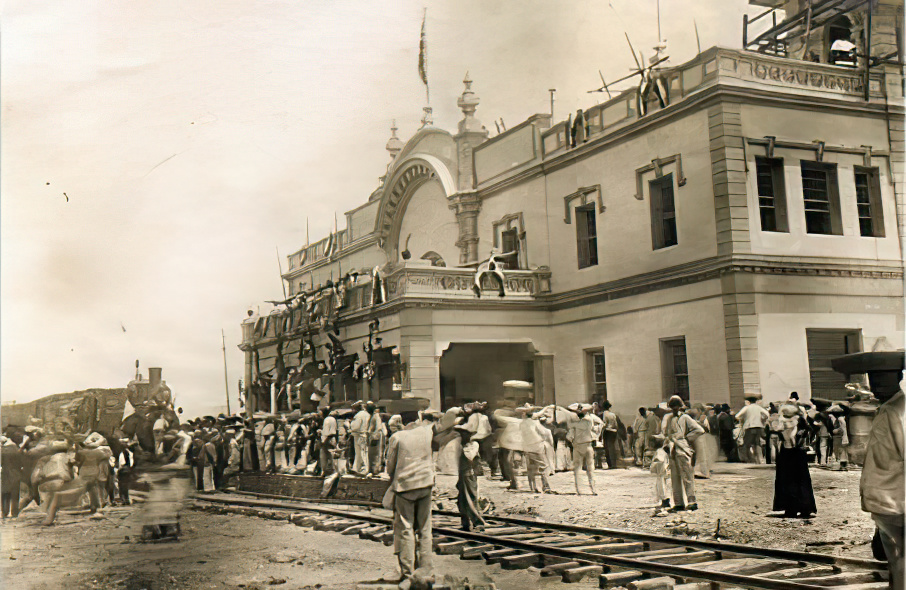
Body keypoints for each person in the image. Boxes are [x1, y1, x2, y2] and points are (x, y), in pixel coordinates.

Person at [832, 351, 904, 590]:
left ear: (899, 377)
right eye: (875, 379)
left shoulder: (897, 411)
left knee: (900, 561)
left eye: (885, 378)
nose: (879, 384)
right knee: (895, 561)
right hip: (888, 501)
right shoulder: (887, 408)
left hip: (896, 502)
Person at [385, 413, 440, 585]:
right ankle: (426, 570)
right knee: (425, 528)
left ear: (400, 421)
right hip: (425, 484)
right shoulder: (426, 432)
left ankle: (408, 573)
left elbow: (390, 466)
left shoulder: (397, 437)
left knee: (406, 528)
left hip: (405, 487)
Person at [772, 404, 816, 518]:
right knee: (802, 480)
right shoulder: (800, 424)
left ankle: (790, 508)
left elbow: (778, 435)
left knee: (787, 481)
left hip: (786, 454)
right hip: (799, 454)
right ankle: (805, 508)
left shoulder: (781, 423)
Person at [662, 395, 704, 512]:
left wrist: (687, 438)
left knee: (687, 475)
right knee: (674, 477)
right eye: (672, 407)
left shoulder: (685, 418)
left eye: (676, 407)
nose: (674, 409)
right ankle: (678, 502)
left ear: (680, 407)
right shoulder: (669, 418)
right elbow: (666, 433)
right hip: (671, 448)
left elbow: (699, 430)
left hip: (682, 448)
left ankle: (692, 501)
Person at [454, 424, 486, 532]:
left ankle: (478, 523)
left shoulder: (472, 445)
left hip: (469, 474)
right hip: (462, 474)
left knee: (470, 499)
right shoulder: (460, 445)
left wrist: (464, 447)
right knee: (461, 500)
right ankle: (465, 523)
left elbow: (470, 456)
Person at [518, 405, 553, 494]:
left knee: (531, 468)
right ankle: (545, 486)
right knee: (544, 467)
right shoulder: (534, 422)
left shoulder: (522, 424)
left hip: (527, 447)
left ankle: (533, 487)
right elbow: (543, 432)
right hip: (537, 447)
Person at [567, 404, 597, 495]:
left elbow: (569, 436)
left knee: (577, 468)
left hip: (578, 446)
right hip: (588, 445)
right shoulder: (589, 421)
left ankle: (579, 490)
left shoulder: (574, 424)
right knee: (590, 467)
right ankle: (593, 488)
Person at [736, 396, 769, 464]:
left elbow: (737, 416)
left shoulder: (746, 408)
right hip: (759, 426)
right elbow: (767, 414)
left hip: (749, 426)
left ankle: (750, 459)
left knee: (748, 444)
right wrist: (762, 419)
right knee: (757, 443)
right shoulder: (759, 407)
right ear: (756, 401)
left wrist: (743, 418)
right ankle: (760, 459)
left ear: (749, 401)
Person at [649, 434, 670, 516]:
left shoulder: (659, 451)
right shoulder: (661, 450)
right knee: (661, 486)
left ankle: (665, 500)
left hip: (661, 472)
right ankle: (664, 500)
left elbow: (660, 460)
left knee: (661, 487)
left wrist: (653, 465)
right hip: (662, 472)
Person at [688, 405, 712, 479]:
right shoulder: (698, 422)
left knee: (698, 456)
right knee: (701, 456)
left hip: (696, 439)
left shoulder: (693, 422)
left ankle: (699, 471)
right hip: (699, 439)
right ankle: (701, 471)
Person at [350, 401, 369, 475]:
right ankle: (357, 468)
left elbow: (355, 427)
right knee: (363, 452)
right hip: (365, 434)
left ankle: (363, 469)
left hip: (359, 435)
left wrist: (349, 425)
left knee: (360, 452)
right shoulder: (367, 414)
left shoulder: (358, 415)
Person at [600, 401, 620, 469]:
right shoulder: (613, 414)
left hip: (607, 431)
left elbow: (604, 424)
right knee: (613, 448)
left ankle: (610, 464)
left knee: (607, 448)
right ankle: (614, 463)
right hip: (614, 431)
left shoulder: (604, 414)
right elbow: (616, 424)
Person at [828, 405, 849, 471]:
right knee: (841, 451)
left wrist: (836, 431)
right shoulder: (839, 419)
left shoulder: (840, 419)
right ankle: (842, 466)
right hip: (838, 437)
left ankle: (842, 466)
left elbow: (843, 429)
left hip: (839, 437)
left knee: (840, 451)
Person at [366, 402, 385, 476]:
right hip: (371, 437)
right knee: (371, 454)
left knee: (375, 454)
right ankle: (371, 469)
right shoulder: (372, 416)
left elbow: (378, 427)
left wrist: (374, 437)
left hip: (375, 437)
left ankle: (375, 470)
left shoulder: (376, 416)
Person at [319, 407, 338, 477]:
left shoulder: (327, 420)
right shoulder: (332, 419)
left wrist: (325, 441)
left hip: (327, 439)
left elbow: (329, 432)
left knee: (325, 456)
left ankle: (326, 472)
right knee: (330, 456)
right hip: (330, 439)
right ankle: (330, 471)